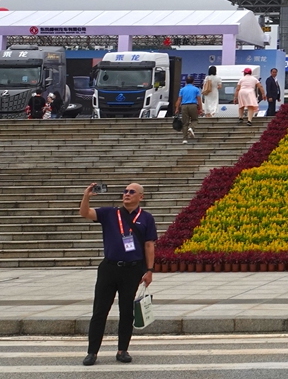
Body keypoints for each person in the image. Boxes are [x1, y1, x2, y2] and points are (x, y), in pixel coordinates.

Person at [79, 182, 157, 366]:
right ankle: (92, 352)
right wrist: (86, 197)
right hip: (109, 268)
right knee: (100, 310)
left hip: (132, 269)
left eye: (132, 192)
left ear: (141, 197)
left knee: (126, 311)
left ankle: (122, 350)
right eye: (125, 191)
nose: (127, 194)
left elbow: (149, 245)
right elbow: (85, 213)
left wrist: (150, 270)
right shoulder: (109, 213)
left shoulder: (146, 218)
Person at [175, 77, 202, 141]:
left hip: (184, 106)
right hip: (193, 105)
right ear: (193, 82)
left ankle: (185, 139)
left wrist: (177, 108)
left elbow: (179, 100)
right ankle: (191, 128)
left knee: (185, 123)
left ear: (186, 82)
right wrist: (200, 109)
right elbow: (199, 100)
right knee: (195, 120)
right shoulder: (196, 89)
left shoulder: (182, 90)